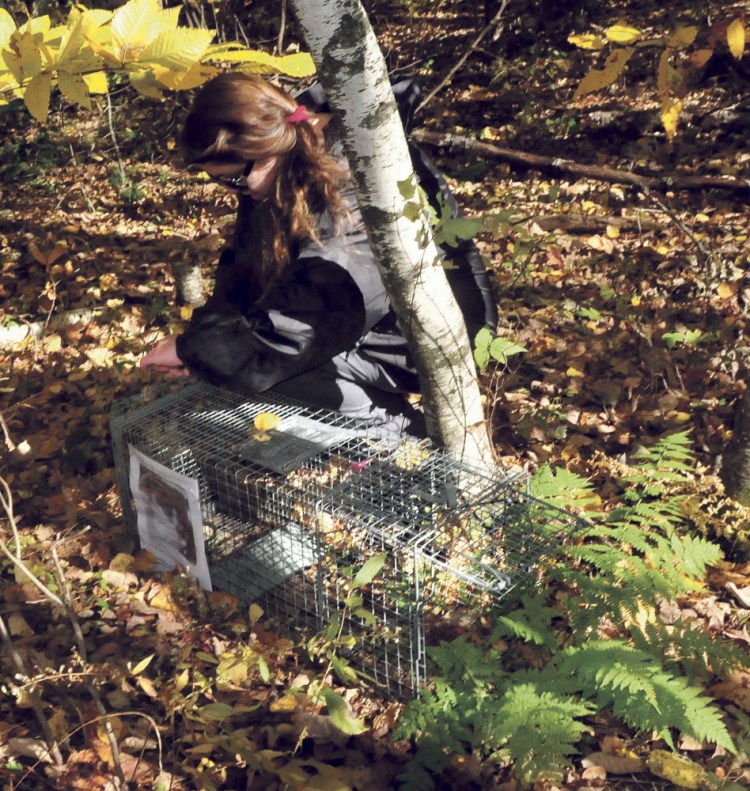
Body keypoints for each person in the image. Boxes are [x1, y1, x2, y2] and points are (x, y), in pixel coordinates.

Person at [140, 73, 497, 445]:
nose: (233, 192)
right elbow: (244, 272)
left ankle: (402, 437)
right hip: (362, 314)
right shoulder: (278, 167)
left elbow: (306, 327)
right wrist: (198, 343)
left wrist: (198, 352)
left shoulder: (354, 192)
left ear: (265, 148)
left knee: (285, 374)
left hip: (431, 334)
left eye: (233, 180)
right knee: (246, 364)